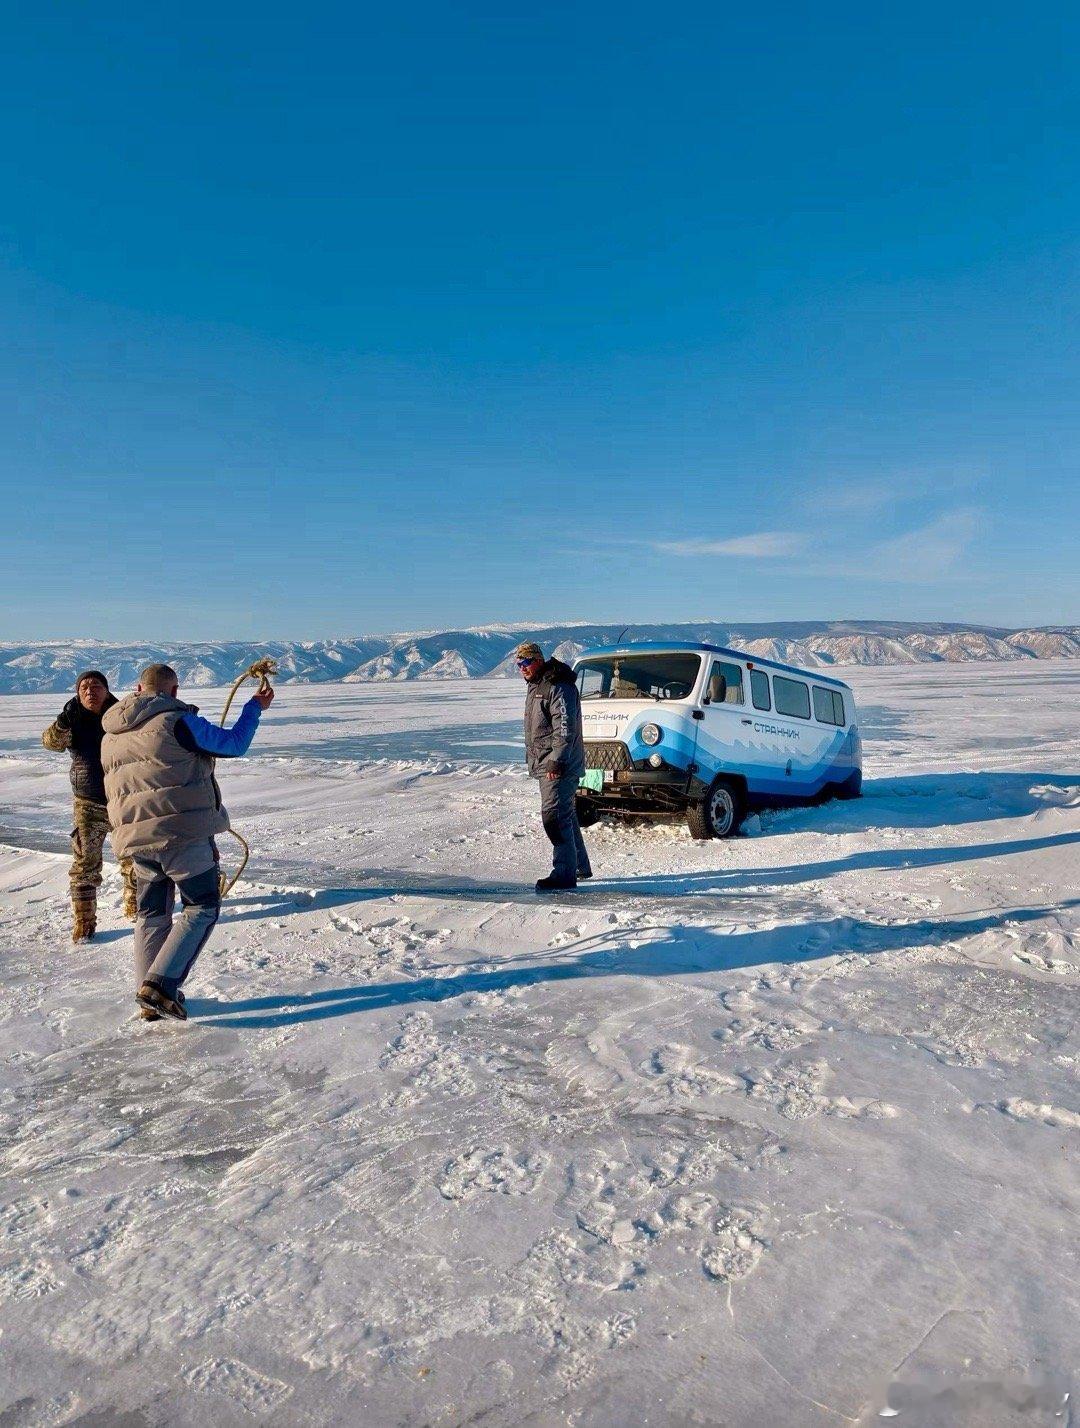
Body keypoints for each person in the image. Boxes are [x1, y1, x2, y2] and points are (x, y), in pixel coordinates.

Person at [101, 662, 274, 1022]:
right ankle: (160, 987)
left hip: (135, 839)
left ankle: (148, 996)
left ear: (137, 689)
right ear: (174, 691)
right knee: (202, 906)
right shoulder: (177, 721)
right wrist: (253, 707)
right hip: (180, 835)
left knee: (151, 914)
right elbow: (233, 744)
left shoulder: (112, 733)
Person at [42, 670, 137, 943]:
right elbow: (50, 744)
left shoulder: (122, 717)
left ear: (107, 691)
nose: (90, 690)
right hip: (88, 804)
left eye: (96, 685)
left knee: (134, 859)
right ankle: (84, 923)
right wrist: (62, 722)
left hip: (123, 801)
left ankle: (134, 907)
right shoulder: (72, 720)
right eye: (84, 686)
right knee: (85, 864)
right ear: (77, 693)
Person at [517, 641, 592, 892]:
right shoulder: (537, 685)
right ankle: (578, 865)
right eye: (519, 664)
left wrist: (556, 761)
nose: (522, 668)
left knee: (554, 817)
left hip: (558, 765)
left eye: (526, 662)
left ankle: (563, 874)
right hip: (546, 763)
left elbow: (564, 728)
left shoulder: (557, 686)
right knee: (566, 815)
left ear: (538, 660)